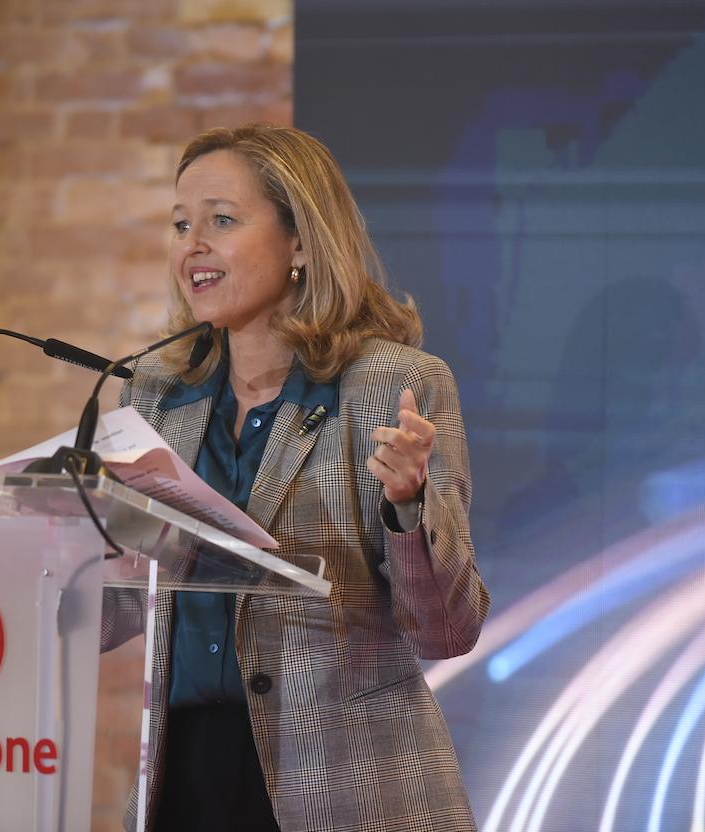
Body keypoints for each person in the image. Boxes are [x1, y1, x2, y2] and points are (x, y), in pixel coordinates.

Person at [102, 124, 490, 832]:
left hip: (347, 787)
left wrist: (407, 504)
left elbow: (445, 631)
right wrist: (71, 541)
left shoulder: (392, 387)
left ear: (301, 243)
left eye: (222, 220)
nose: (192, 247)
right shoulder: (157, 394)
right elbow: (116, 615)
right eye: (182, 224)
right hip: (182, 784)